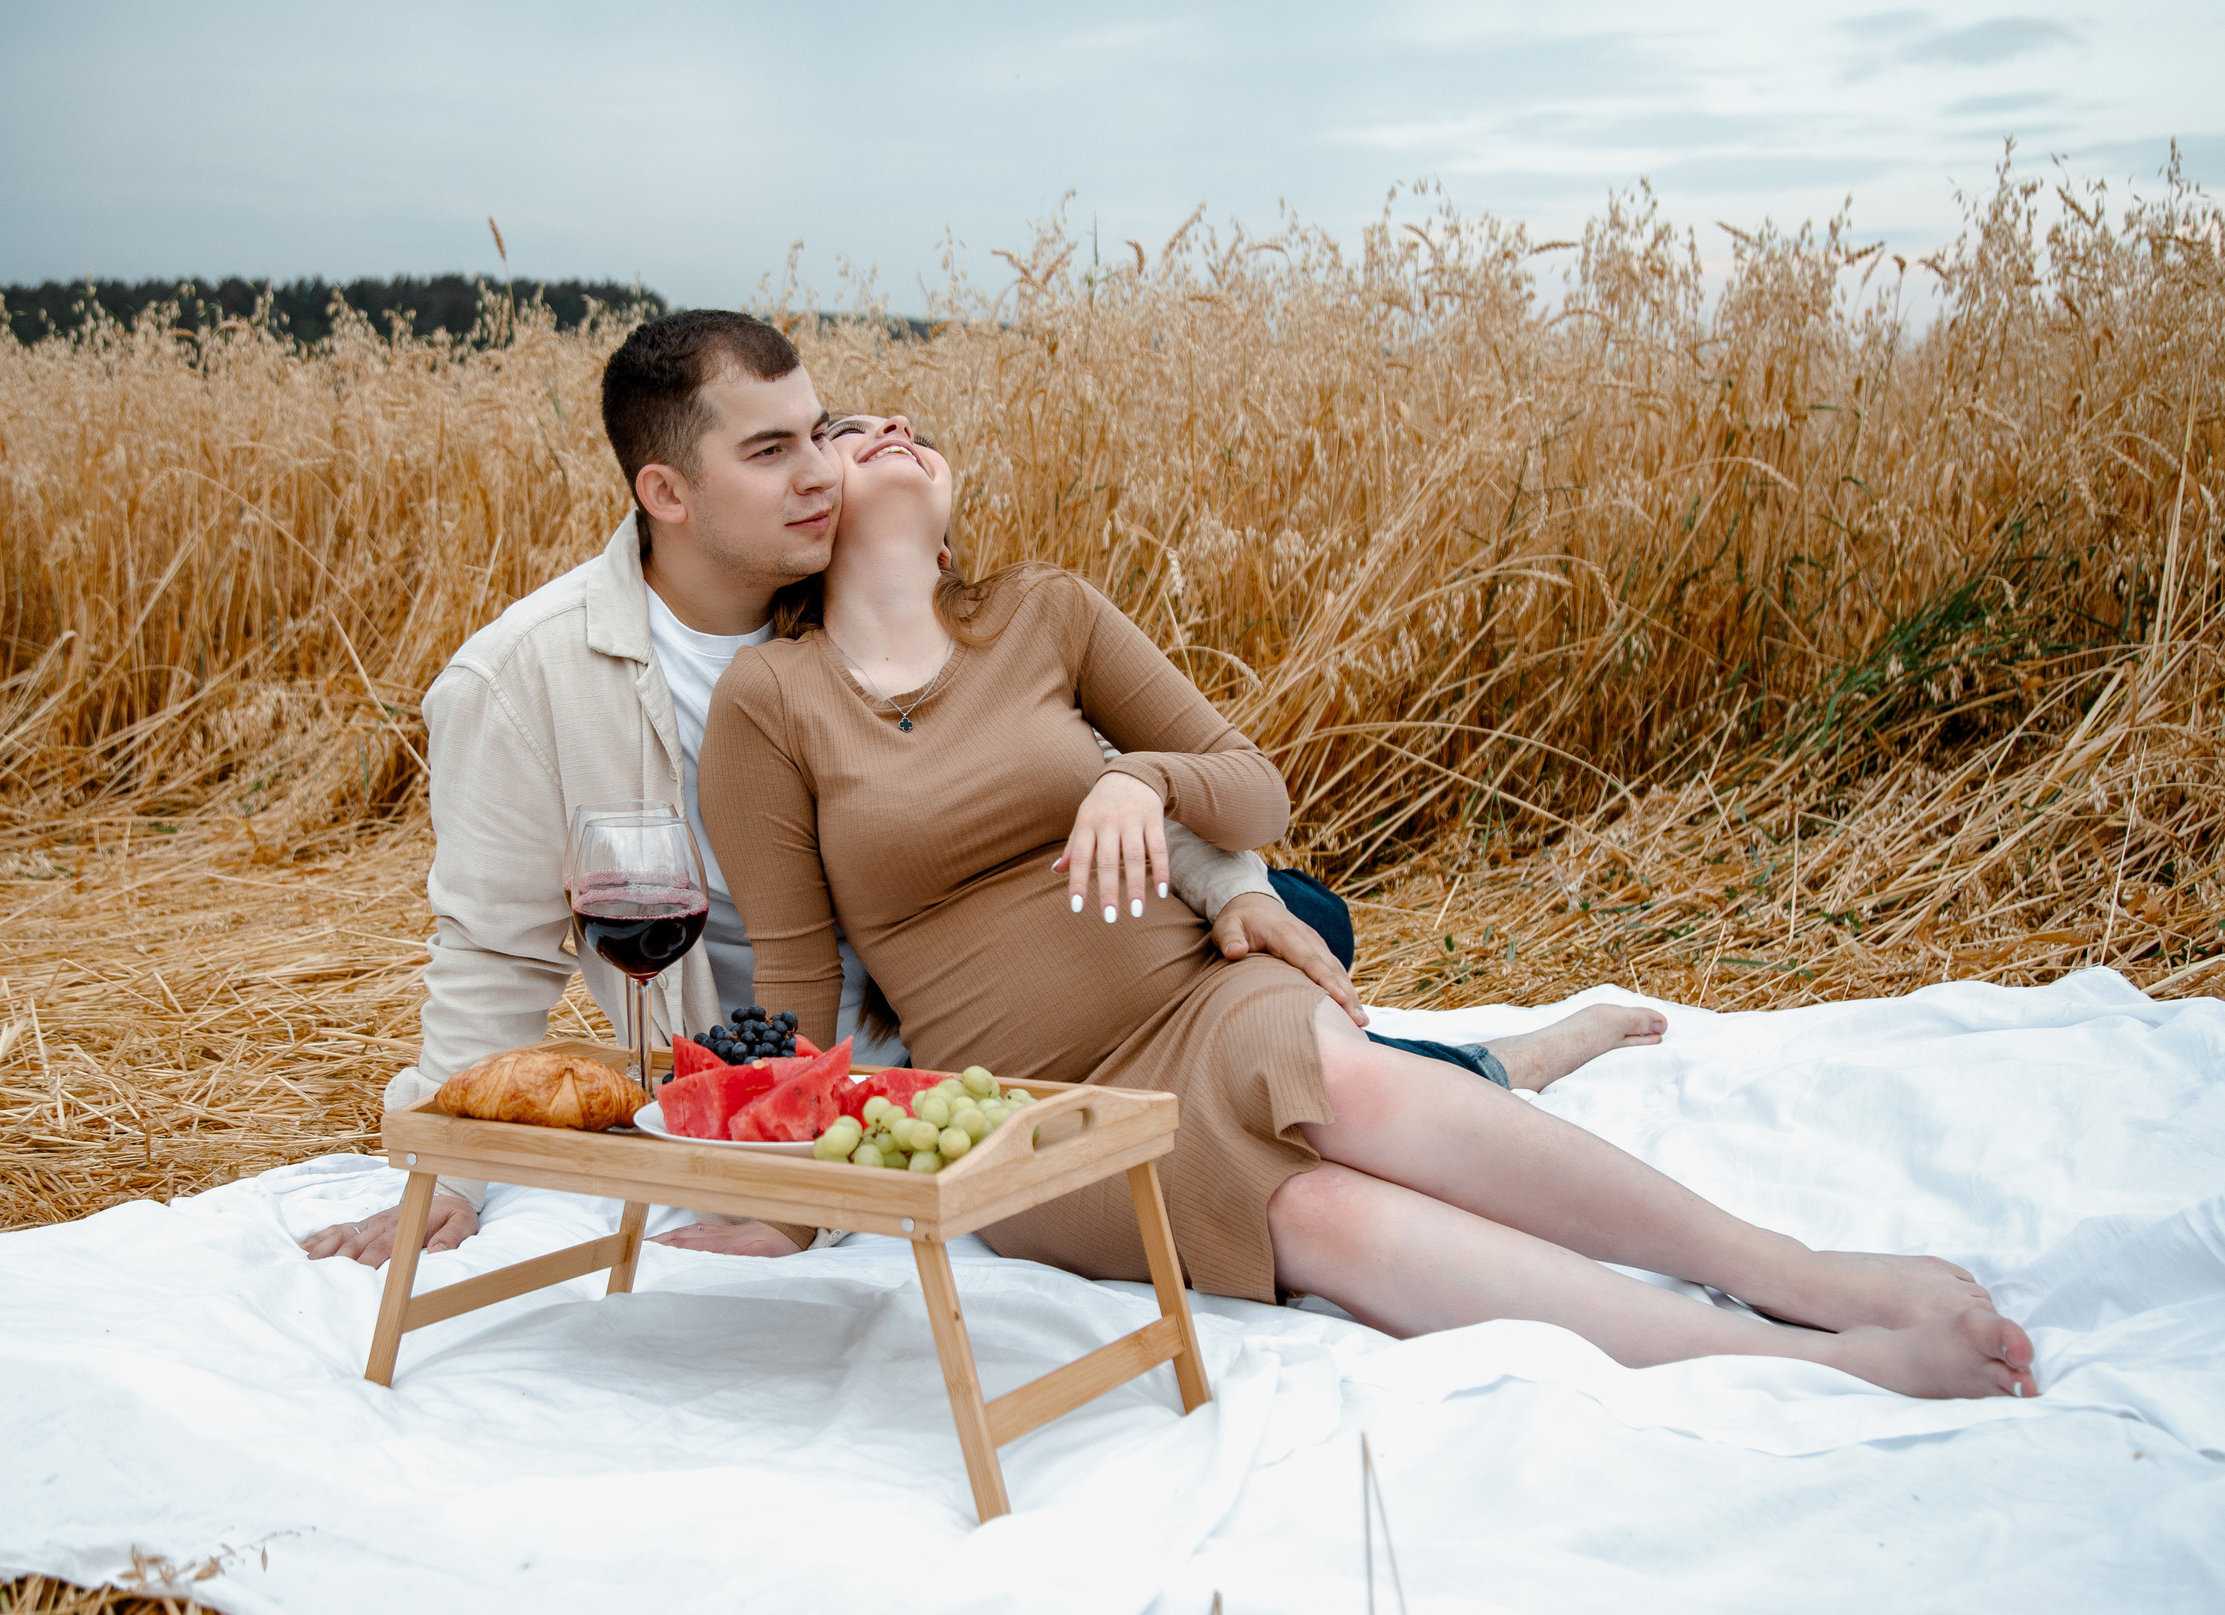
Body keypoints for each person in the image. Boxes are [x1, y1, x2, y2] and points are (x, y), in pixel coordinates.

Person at [695, 408, 2037, 1399]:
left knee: (1348, 1077)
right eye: (846, 432)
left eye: (913, 428)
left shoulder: (1045, 613)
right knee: (1313, 1216)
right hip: (1038, 1107)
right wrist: (778, 1197)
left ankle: (1797, 1273)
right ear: (810, 509)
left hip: (1198, 997)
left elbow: (1254, 791)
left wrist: (1137, 785)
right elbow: (798, 985)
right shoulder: (773, 702)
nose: (893, 434)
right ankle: (1794, 1363)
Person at [304, 311, 1524, 1266]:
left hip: (1018, 951)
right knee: (1280, 1059)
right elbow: (493, 955)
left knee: (1302, 919)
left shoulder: (853, 585)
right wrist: (446, 1181)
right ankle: (1445, 1077)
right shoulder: (522, 681)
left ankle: (1450, 1074)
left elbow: (1051, 774)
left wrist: (1226, 884)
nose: (819, 476)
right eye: (769, 451)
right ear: (665, 493)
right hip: (844, 1026)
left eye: (815, 434)